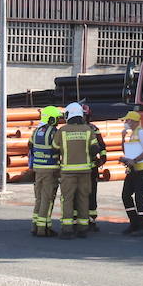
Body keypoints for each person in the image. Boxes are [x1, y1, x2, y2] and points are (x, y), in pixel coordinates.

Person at [54, 102, 101, 238]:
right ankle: (83, 228)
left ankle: (67, 229)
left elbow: (54, 147)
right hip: (85, 171)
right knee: (83, 198)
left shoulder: (62, 131)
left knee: (67, 199)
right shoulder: (88, 130)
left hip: (68, 172)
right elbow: (95, 148)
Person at [27, 105, 63, 237]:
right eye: (56, 118)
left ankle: (35, 226)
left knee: (39, 198)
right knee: (47, 199)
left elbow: (30, 145)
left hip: (38, 169)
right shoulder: (54, 132)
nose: (58, 121)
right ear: (51, 119)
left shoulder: (36, 131)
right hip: (50, 169)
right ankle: (42, 229)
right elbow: (58, 148)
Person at [120, 109, 143, 236]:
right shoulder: (132, 134)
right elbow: (127, 151)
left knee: (140, 198)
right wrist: (122, 138)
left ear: (133, 121)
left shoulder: (141, 133)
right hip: (133, 169)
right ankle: (134, 223)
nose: (125, 122)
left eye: (127, 120)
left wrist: (134, 160)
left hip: (141, 170)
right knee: (126, 195)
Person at [86, 114, 109, 231]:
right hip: (84, 168)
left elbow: (101, 145)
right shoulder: (88, 129)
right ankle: (80, 220)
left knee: (91, 193)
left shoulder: (94, 128)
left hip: (91, 167)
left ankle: (91, 219)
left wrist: (103, 158)